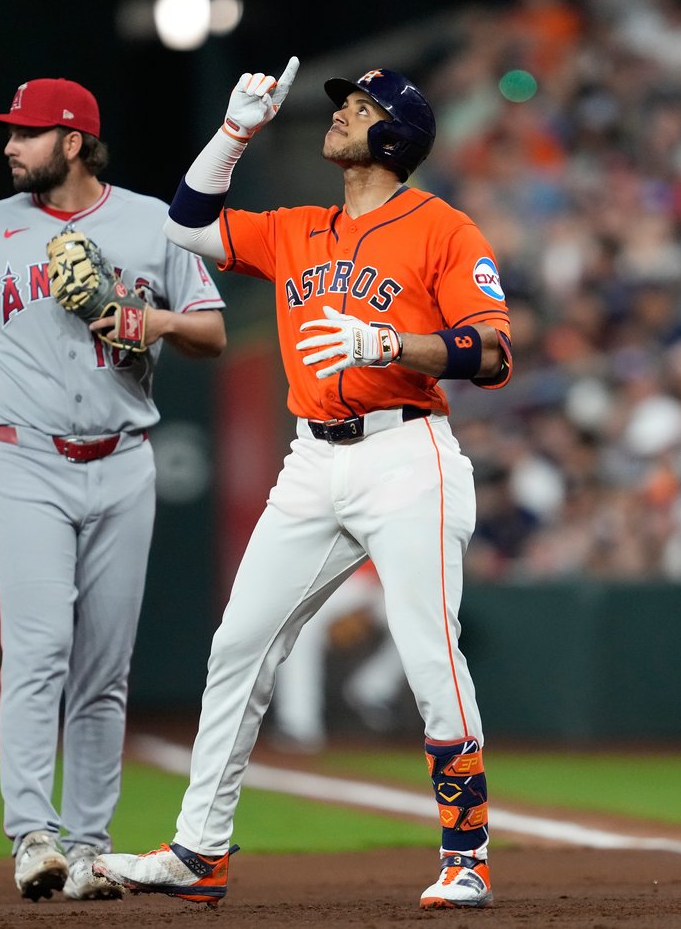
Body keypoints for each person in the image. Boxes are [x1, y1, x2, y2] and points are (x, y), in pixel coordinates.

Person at [92, 57, 513, 909]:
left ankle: (466, 853)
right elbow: (187, 225)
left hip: (408, 452)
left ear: (394, 136)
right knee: (240, 642)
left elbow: (494, 350)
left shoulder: (444, 230)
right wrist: (234, 130)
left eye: (357, 109)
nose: (340, 117)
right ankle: (199, 850)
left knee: (429, 652)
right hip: (313, 458)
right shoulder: (298, 228)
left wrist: (395, 345)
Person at [0, 77, 226, 902]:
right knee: (38, 651)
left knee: (103, 668)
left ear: (72, 142)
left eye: (23, 133)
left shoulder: (150, 223)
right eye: (7, 132)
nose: (8, 145)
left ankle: (89, 847)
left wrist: (149, 319)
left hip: (125, 458)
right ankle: (32, 835)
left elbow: (211, 330)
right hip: (24, 461)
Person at [268, 561, 409, 753]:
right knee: (299, 631)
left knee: (418, 625)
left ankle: (373, 690)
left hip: (389, 585)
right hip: (342, 580)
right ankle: (299, 724)